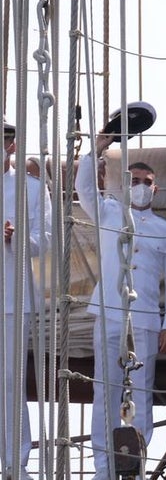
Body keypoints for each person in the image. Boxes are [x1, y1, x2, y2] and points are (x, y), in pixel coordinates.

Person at [77, 131, 166, 480]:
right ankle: (103, 469)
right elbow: (84, 188)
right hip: (108, 313)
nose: (139, 185)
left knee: (141, 393)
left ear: (155, 189)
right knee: (104, 390)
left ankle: (134, 467)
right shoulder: (109, 212)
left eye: (146, 182)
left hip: (145, 319)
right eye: (134, 180)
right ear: (126, 185)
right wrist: (96, 150)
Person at [1, 122, 50, 480]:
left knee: (10, 380)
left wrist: (17, 238)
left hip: (13, 297)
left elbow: (46, 239)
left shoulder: (31, 189)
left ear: (12, 144)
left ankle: (15, 463)